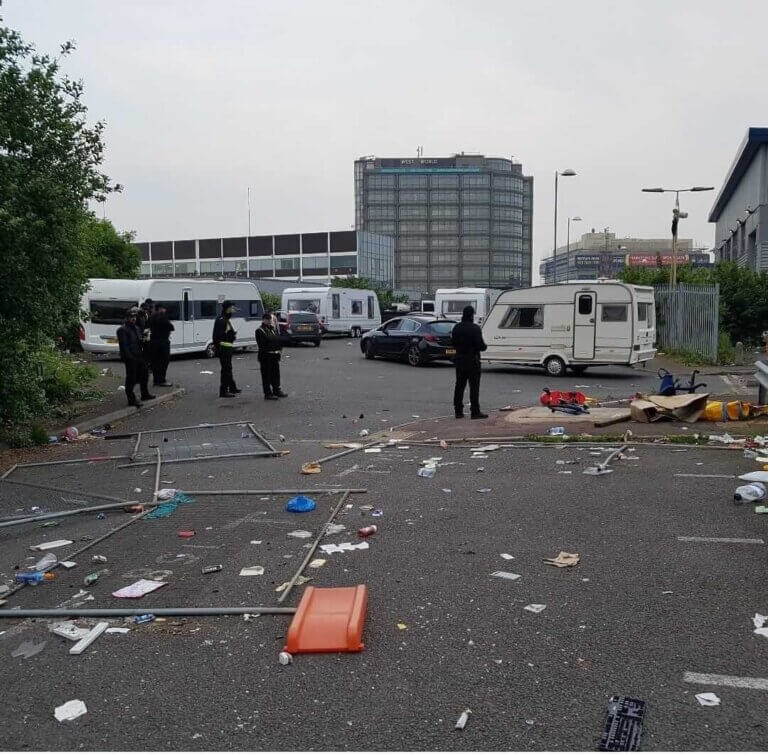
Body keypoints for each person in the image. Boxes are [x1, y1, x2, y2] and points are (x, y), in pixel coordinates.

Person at [451, 305, 488, 420]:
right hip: (473, 361)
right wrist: (484, 346)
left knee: (459, 386)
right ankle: (475, 411)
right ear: (472, 315)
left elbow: (453, 343)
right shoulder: (475, 328)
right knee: (474, 387)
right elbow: (481, 346)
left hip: (460, 360)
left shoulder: (456, 328)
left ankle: (458, 411)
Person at [116, 307, 154, 407]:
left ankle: (144, 394)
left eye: (134, 317)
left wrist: (145, 339)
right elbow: (124, 346)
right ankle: (131, 399)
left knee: (145, 374)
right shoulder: (122, 330)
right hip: (130, 357)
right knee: (131, 378)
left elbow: (139, 341)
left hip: (139, 355)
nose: (133, 319)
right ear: (126, 318)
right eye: (131, 317)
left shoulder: (136, 328)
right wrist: (129, 358)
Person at [255, 311, 287, 400]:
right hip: (266, 357)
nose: (269, 321)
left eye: (270, 319)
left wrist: (279, 349)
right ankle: (268, 393)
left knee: (276, 375)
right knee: (266, 376)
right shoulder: (259, 330)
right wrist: (273, 345)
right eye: (267, 319)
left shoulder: (272, 329)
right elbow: (263, 344)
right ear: (263, 320)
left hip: (274, 356)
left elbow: (277, 340)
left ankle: (277, 390)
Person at [212, 300, 240, 398]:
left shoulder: (225, 319)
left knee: (228, 368)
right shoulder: (222, 320)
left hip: (227, 348)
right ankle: (223, 391)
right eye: (232, 308)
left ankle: (232, 387)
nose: (233, 310)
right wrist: (229, 336)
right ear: (228, 309)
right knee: (226, 370)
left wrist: (231, 335)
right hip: (224, 349)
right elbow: (217, 336)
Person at [148, 302, 174, 386]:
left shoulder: (152, 316)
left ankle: (156, 380)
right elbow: (171, 327)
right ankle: (161, 380)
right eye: (164, 308)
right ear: (160, 309)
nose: (165, 310)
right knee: (164, 361)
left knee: (155, 362)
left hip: (153, 342)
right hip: (162, 342)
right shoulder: (162, 316)